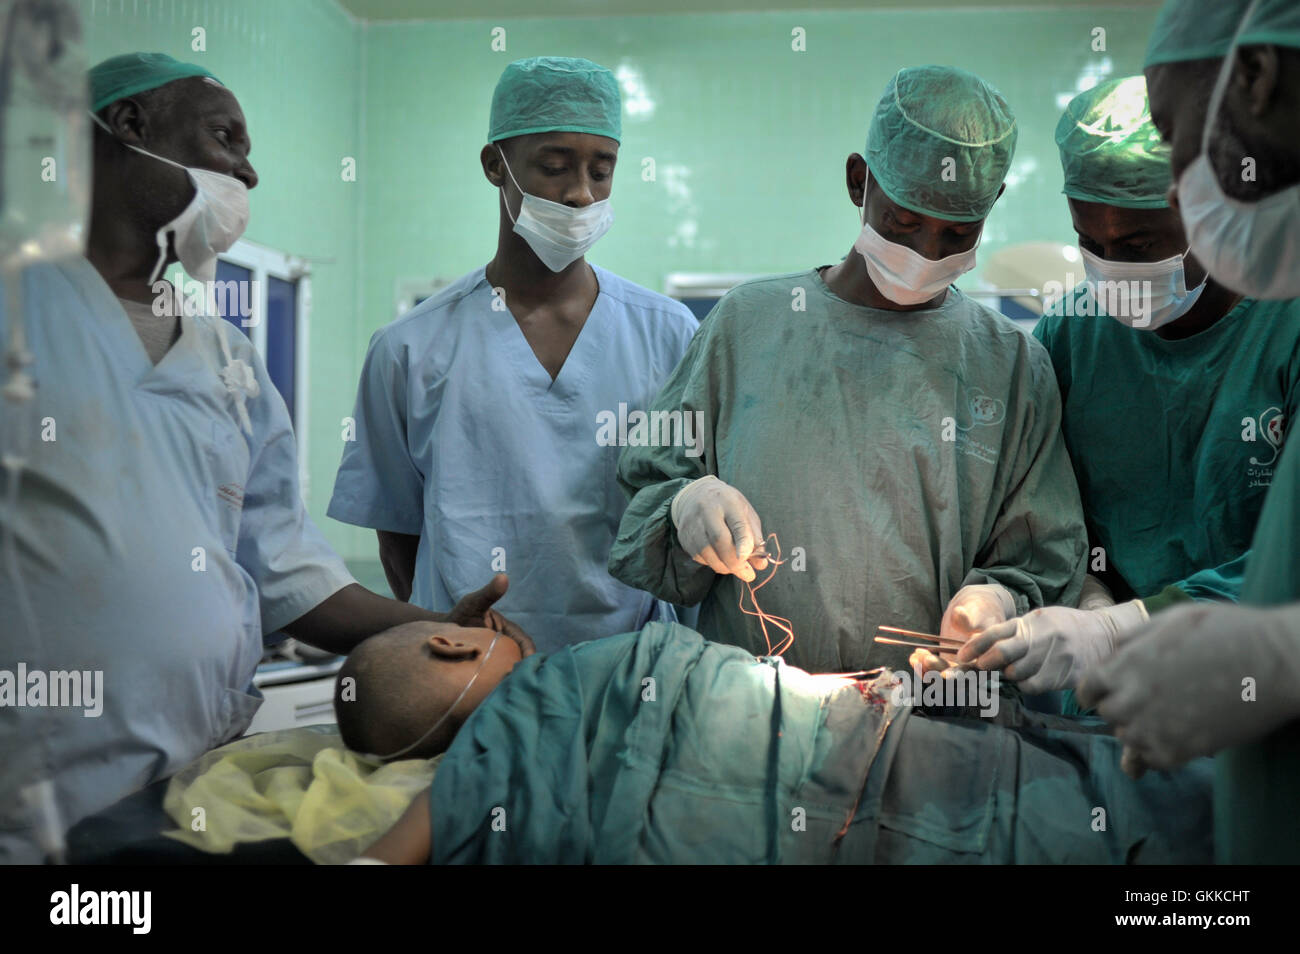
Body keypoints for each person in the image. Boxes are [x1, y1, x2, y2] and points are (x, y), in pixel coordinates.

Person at [0, 53, 527, 863]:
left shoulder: (225, 360)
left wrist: (431, 625)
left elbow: (285, 573)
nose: (248, 168)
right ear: (129, 130)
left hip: (188, 790)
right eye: (225, 138)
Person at [609, 65, 1087, 674]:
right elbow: (646, 492)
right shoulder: (747, 325)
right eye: (904, 223)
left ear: (992, 207)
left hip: (932, 721)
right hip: (749, 714)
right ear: (859, 180)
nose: (926, 254)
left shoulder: (1012, 366)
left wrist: (996, 602)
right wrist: (684, 504)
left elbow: (1045, 558)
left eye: (957, 233)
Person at [328, 57, 698, 655]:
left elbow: (680, 509)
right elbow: (398, 537)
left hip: (627, 676)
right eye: (554, 167)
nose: (580, 192)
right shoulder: (409, 349)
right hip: (469, 678)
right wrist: (451, 641)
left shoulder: (667, 333)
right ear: (495, 165)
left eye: (601, 171)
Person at [337, 619, 1213, 864]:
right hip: (911, 766)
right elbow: (812, 695)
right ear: (454, 640)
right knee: (1134, 800)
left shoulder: (479, 793)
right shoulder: (571, 675)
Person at [956, 75, 1300, 697]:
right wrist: (1077, 595)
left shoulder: (1287, 323)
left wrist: (1133, 627)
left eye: (1138, 244)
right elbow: (1045, 520)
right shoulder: (1070, 336)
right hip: (1105, 701)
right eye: (1092, 244)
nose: (1113, 267)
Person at [1077, 0, 1300, 864]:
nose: (1179, 180)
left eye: (1174, 138)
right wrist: (1087, 600)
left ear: (1256, 77)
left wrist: (1279, 658)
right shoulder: (1073, 341)